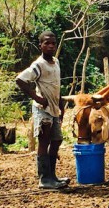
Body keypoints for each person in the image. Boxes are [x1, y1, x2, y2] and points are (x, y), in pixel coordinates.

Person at [16, 31, 69, 189]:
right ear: (40, 46)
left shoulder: (56, 62)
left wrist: (60, 104)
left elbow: (55, 85)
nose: (51, 45)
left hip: (53, 108)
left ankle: (52, 176)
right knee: (44, 141)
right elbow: (20, 79)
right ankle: (44, 179)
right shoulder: (39, 64)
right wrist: (37, 98)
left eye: (53, 43)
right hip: (42, 109)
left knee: (57, 140)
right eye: (47, 43)